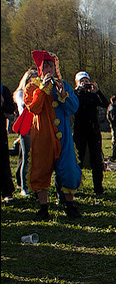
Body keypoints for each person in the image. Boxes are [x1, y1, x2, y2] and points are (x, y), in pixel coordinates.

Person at [13, 51, 82, 219]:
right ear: (40, 69)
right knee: (40, 169)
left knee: (69, 169)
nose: (49, 69)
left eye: (51, 65)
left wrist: (62, 94)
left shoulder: (63, 85)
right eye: (46, 66)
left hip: (63, 135)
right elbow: (33, 108)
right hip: (42, 135)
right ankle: (43, 208)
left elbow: (73, 108)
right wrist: (43, 88)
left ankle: (70, 205)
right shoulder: (32, 86)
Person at [72, 71, 109, 196]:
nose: (85, 83)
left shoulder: (93, 96)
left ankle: (98, 188)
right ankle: (75, 186)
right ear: (77, 83)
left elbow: (105, 104)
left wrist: (97, 91)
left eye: (87, 81)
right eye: (82, 81)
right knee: (78, 159)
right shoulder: (75, 94)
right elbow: (70, 103)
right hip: (79, 131)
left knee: (96, 161)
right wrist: (78, 90)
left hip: (94, 131)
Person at [12, 69, 38, 197]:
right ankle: (24, 186)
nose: (33, 81)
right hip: (26, 126)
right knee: (26, 157)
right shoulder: (20, 93)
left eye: (35, 78)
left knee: (34, 157)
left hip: (37, 126)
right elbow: (23, 107)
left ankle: (34, 184)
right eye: (31, 78)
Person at [1, 79, 15, 201]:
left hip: (1, 131)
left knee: (4, 160)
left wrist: (3, 104)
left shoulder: (3, 90)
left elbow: (11, 108)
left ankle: (7, 192)